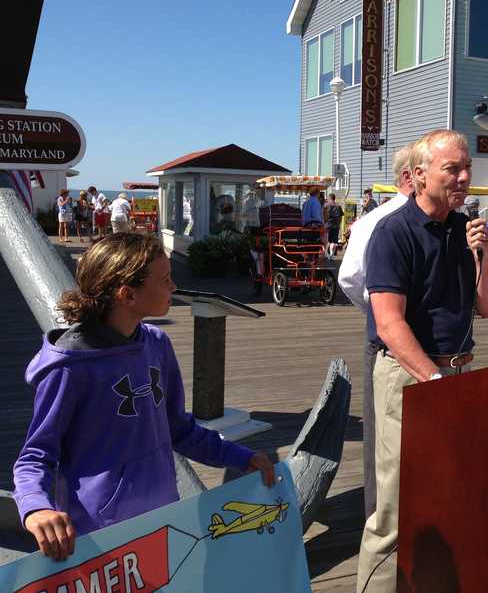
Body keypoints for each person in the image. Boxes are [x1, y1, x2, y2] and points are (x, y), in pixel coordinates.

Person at [12, 233, 274, 561]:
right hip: (100, 539)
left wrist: (239, 457)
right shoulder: (67, 368)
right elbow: (35, 456)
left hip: (163, 521)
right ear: (127, 295)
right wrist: (36, 508)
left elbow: (180, 430)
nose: (175, 287)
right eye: (165, 280)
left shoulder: (156, 345)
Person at [356, 130, 488, 593]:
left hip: (455, 372)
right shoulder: (393, 232)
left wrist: (485, 256)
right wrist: (435, 380)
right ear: (419, 176)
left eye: (466, 169)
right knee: (395, 511)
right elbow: (388, 323)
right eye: (452, 169)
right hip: (410, 376)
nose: (463, 178)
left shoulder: (464, 230)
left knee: (447, 498)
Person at [338, 144, 414, 522]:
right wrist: (381, 315)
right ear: (408, 176)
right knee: (381, 435)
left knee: (390, 435)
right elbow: (350, 278)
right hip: (385, 342)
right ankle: (378, 515)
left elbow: (351, 281)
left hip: (411, 342)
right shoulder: (377, 222)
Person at [324, 193, 344, 259]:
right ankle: (332, 255)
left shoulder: (326, 206)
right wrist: (339, 223)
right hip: (336, 226)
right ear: (334, 198)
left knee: (328, 241)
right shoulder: (338, 206)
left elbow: (324, 216)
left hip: (328, 225)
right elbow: (341, 217)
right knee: (334, 241)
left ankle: (327, 254)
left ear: (329, 198)